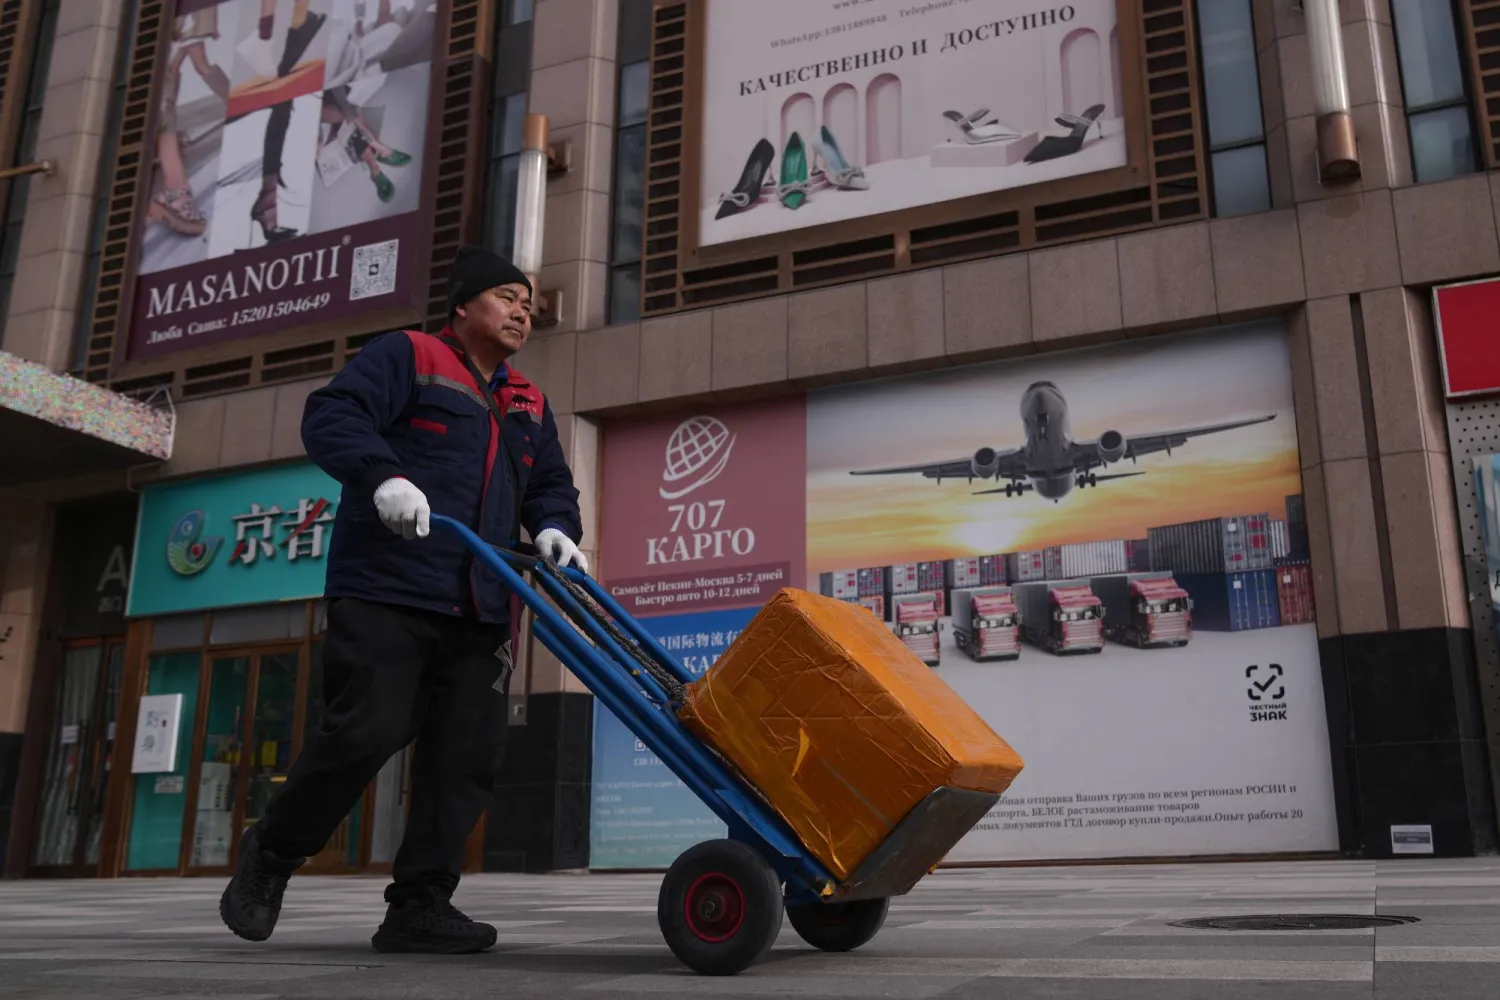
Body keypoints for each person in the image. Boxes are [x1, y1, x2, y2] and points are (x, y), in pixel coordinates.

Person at [219, 246, 586, 955]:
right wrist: (382, 474)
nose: (522, 312)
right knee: (366, 729)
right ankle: (271, 853)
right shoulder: (408, 356)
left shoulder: (527, 402)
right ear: (464, 305)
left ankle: (419, 905)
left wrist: (554, 528)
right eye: (508, 297)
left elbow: (552, 486)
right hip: (389, 588)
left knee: (466, 756)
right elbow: (333, 416)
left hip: (481, 605)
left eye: (529, 304)